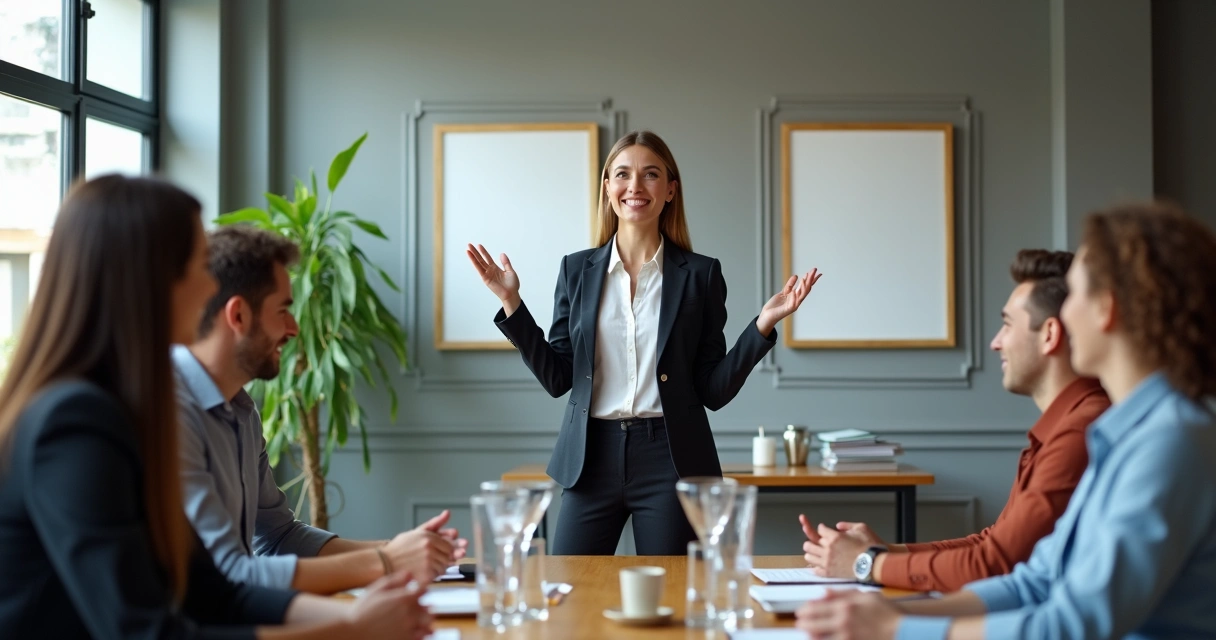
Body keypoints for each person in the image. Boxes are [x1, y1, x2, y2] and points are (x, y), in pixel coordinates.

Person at [0, 175, 431, 639]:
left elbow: (212, 591)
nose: (212, 288)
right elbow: (145, 633)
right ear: (151, 279)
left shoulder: (133, 408)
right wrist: (352, 628)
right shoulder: (75, 423)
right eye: (200, 265)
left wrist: (354, 618)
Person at [796, 202, 1216, 639]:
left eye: (1074, 293)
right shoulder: (1126, 434)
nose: (1066, 315)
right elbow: (1036, 579)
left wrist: (898, 628)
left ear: (1106, 308)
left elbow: (1074, 625)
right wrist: (890, 615)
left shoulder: (1171, 443)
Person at [467, 130, 821, 555]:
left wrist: (762, 325)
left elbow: (713, 390)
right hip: (589, 458)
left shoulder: (701, 275)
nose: (635, 186)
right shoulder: (576, 270)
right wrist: (511, 302)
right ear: (608, 188)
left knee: (671, 599)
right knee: (571, 592)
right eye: (622, 175)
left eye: (650, 175)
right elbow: (559, 378)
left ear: (670, 189)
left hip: (671, 460)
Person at [177, 224, 467, 594]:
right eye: (284, 310)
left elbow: (278, 537)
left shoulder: (243, 412)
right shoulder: (171, 412)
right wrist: (387, 563)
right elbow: (225, 577)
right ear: (238, 316)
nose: (295, 328)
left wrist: (400, 551)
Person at [799, 249, 1110, 592]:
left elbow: (995, 564)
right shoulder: (1067, 425)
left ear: (1049, 335)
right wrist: (886, 553)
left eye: (1007, 325)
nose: (995, 343)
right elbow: (991, 543)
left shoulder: (1081, 432)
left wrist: (867, 564)